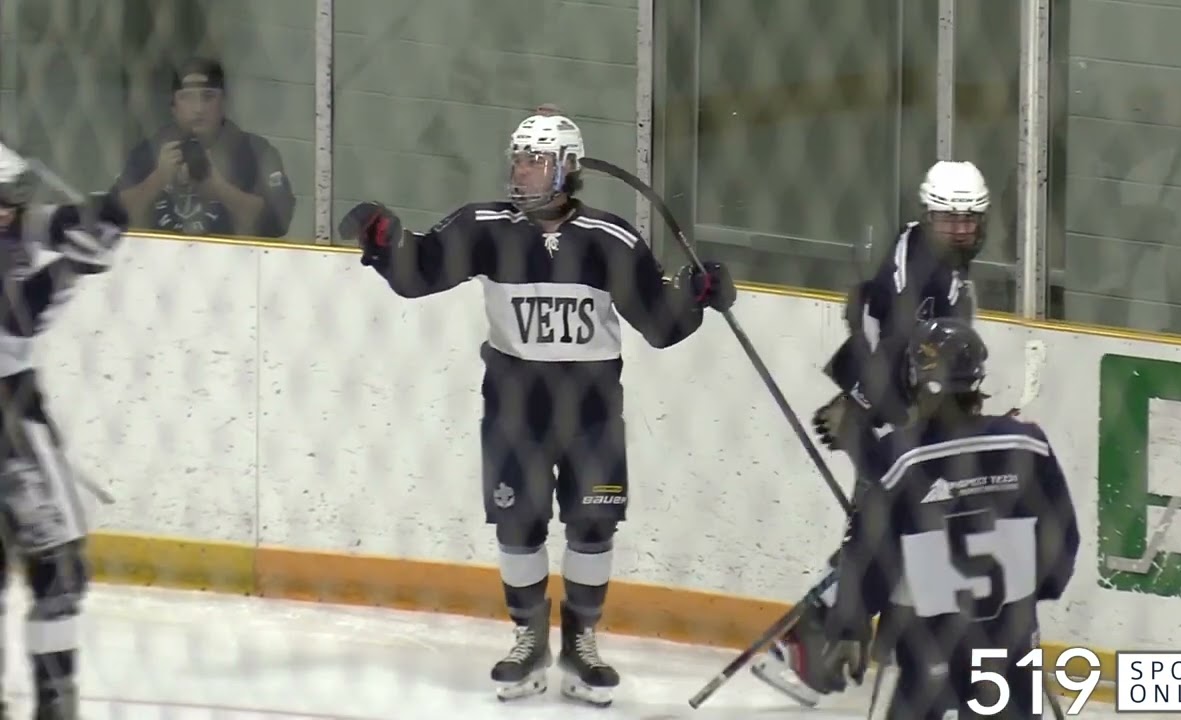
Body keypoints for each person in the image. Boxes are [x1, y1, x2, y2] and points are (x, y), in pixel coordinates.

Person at [339, 113, 736, 707]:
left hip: (594, 412)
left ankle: (582, 644)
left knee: (592, 526)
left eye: (534, 160)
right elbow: (420, 270)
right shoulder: (485, 227)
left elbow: (658, 323)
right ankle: (529, 637)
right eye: (517, 158)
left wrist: (696, 298)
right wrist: (387, 240)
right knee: (518, 526)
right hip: (515, 411)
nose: (520, 170)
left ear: (567, 168)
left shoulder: (610, 239)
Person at [751, 160, 993, 706]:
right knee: (884, 537)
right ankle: (810, 647)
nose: (960, 228)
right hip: (894, 421)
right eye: (949, 218)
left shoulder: (935, 258)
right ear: (929, 214)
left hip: (909, 418)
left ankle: (850, 646)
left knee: (895, 536)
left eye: (969, 219)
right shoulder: (923, 269)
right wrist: (861, 406)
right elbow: (891, 347)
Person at [825, 317, 1080, 719]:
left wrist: (850, 622)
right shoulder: (1028, 444)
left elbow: (871, 555)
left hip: (931, 652)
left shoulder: (901, 459)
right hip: (1010, 647)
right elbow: (1063, 536)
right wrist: (1040, 588)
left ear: (913, 377)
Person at [0, 143, 128, 720]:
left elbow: (50, 224)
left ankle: (55, 703)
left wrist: (102, 216)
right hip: (10, 414)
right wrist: (76, 264)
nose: (14, 212)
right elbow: (16, 316)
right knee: (56, 569)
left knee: (60, 572)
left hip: (15, 411)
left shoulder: (12, 224)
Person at [113, 57, 295, 238]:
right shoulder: (148, 152)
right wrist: (158, 179)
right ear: (173, 107)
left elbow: (278, 222)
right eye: (187, 97)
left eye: (208, 97)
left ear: (224, 103)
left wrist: (219, 189)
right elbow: (112, 216)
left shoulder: (255, 152)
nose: (198, 108)